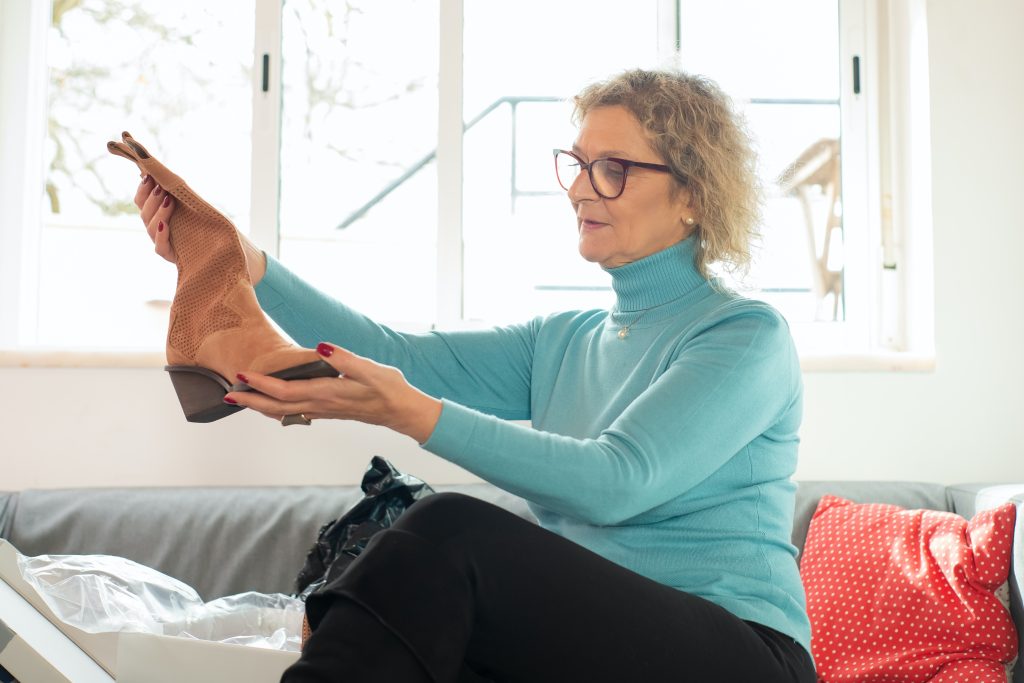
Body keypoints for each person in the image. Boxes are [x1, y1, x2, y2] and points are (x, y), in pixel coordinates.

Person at [135, 68, 816, 682]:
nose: (581, 187)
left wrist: (408, 412)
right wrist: (244, 264)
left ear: (692, 194)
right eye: (577, 164)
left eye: (613, 167)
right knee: (416, 620)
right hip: (596, 649)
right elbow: (391, 351)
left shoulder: (744, 336)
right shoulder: (565, 339)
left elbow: (617, 481)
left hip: (744, 653)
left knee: (450, 530)